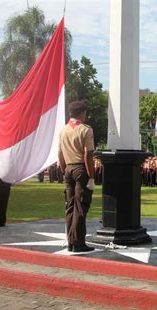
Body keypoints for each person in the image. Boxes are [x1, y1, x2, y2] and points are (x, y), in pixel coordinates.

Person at [58, 101, 95, 253]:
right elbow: (88, 154)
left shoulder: (63, 130)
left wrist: (63, 170)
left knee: (70, 207)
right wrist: (91, 177)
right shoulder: (85, 130)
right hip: (81, 168)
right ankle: (78, 242)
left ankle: (70, 242)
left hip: (68, 168)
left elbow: (60, 154)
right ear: (82, 113)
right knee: (81, 206)